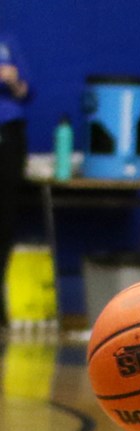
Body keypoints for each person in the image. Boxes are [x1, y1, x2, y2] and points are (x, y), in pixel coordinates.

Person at [0, 29, 29, 329]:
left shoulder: (8, 40)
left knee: (5, 221)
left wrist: (13, 81)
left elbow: (25, 90)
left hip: (9, 133)